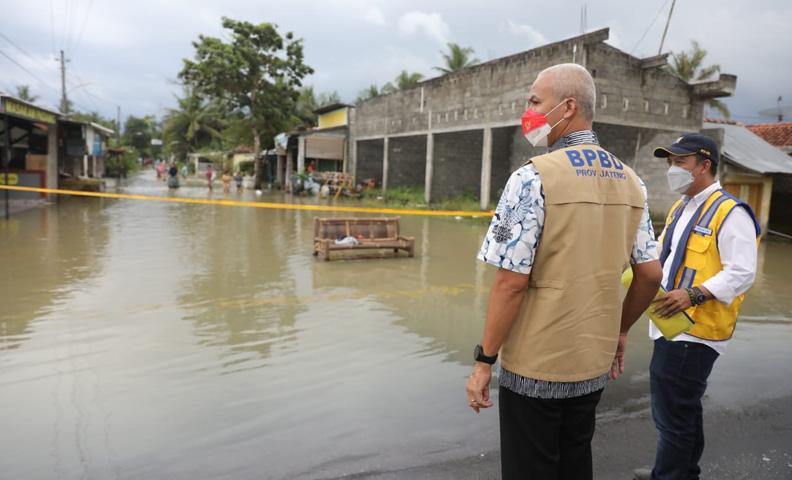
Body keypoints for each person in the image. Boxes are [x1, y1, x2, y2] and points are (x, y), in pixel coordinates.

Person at [465, 63, 662, 480]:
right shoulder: (633, 183)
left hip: (535, 366)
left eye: (535, 101)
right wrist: (620, 331)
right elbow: (649, 275)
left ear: (567, 107)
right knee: (575, 461)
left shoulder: (533, 178)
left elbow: (509, 284)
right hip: (592, 362)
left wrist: (484, 361)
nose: (528, 110)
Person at [632, 134, 760, 480]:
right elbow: (663, 258)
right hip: (669, 323)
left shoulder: (730, 213)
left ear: (704, 166)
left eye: (680, 162)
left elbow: (743, 271)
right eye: (670, 162)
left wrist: (694, 294)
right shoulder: (681, 208)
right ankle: (682, 470)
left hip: (696, 329)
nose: (672, 170)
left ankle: (669, 475)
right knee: (683, 408)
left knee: (671, 413)